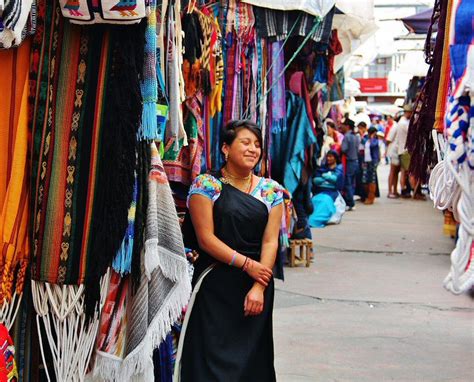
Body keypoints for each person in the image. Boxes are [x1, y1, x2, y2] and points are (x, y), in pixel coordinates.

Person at [178, 120, 283, 382]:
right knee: (207, 358)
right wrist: (248, 265)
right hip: (216, 283)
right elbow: (206, 239)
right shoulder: (207, 185)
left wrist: (259, 286)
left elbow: (271, 241)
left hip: (256, 287)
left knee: (251, 362)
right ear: (226, 148)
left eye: (257, 145)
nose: (253, 149)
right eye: (245, 142)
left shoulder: (271, 190)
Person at [309, 150, 345, 227]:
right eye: (327, 156)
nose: (328, 158)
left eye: (331, 156)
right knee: (315, 200)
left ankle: (315, 220)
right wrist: (328, 178)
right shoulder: (322, 168)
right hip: (319, 192)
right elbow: (316, 180)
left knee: (325, 202)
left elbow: (336, 179)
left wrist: (325, 177)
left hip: (331, 192)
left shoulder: (339, 168)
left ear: (335, 158)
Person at [341, 118, 360, 211]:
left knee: (348, 183)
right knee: (352, 183)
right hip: (356, 161)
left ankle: (350, 203)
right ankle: (351, 201)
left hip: (350, 161)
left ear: (347, 126)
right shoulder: (356, 136)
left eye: (343, 125)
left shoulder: (347, 136)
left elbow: (343, 149)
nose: (341, 126)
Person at [362, 127, 380, 205]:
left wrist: (372, 138)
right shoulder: (366, 139)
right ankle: (366, 196)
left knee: (372, 179)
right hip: (366, 161)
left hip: (373, 161)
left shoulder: (375, 140)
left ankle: (371, 197)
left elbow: (373, 145)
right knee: (365, 179)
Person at [386, 121, 400, 198]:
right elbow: (389, 139)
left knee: (396, 172)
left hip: (397, 150)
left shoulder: (397, 125)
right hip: (394, 151)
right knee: (393, 171)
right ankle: (390, 191)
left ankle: (394, 190)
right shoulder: (396, 126)